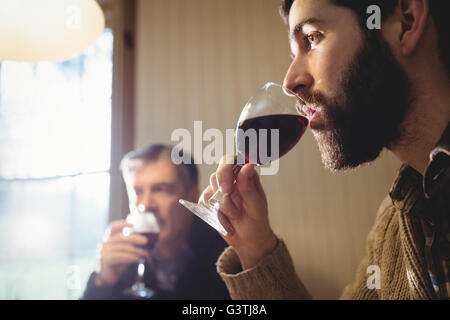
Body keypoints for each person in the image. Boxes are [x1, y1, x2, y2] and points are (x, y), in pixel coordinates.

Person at [201, 0, 449, 299]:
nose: (291, 82)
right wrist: (255, 247)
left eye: (312, 38)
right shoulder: (395, 224)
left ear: (406, 23)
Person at [82, 144, 229, 299]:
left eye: (160, 189)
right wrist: (102, 281)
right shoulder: (123, 261)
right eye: (138, 192)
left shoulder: (226, 257)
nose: (145, 205)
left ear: (194, 197)